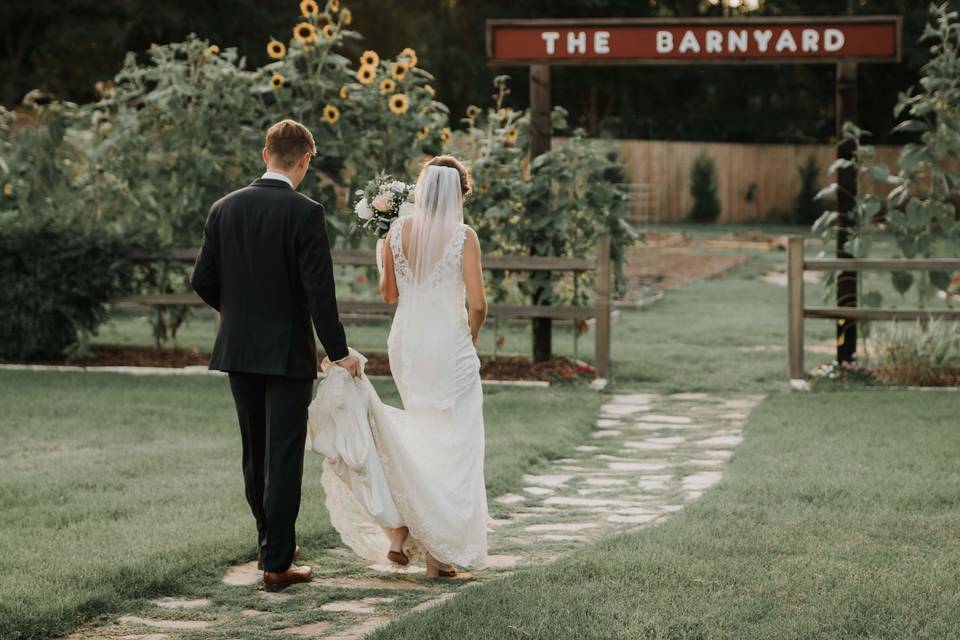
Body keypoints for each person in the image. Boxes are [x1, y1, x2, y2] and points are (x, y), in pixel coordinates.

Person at [191, 119, 360, 590]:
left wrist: (241, 312)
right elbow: (319, 292)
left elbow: (201, 279)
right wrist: (339, 352)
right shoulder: (306, 212)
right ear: (304, 160)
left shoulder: (223, 208)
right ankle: (278, 565)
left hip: (238, 348)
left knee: (255, 451)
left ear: (266, 154)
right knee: (283, 456)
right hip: (286, 351)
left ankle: (271, 542)